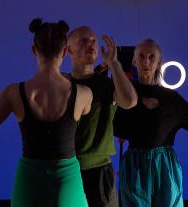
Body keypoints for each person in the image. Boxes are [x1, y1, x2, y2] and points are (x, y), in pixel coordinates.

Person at [0, 19, 92, 207]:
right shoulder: (84, 95)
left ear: (33, 50)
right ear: (65, 52)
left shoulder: (12, 93)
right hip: (67, 184)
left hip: (29, 183)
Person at [113, 39, 188, 207]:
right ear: (134, 61)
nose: (146, 61)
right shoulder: (124, 95)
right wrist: (139, 103)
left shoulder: (171, 99)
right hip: (135, 164)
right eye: (141, 56)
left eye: (151, 57)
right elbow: (117, 126)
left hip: (165, 165)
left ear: (159, 63)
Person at [66, 26, 137, 207]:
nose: (91, 44)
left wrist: (114, 65)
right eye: (83, 40)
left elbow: (129, 101)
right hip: (65, 171)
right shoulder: (62, 85)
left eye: (93, 40)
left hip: (99, 174)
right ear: (69, 50)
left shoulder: (107, 85)